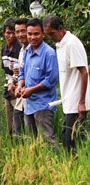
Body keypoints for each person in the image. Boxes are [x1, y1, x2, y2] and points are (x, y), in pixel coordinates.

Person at [44, 15, 89, 152]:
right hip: (69, 101)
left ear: (61, 28)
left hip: (76, 103)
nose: (50, 37)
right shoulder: (60, 44)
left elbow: (84, 72)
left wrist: (81, 102)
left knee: (70, 141)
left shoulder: (71, 44)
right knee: (67, 138)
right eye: (48, 34)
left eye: (52, 33)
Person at [15, 18, 59, 147]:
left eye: (36, 34)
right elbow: (22, 72)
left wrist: (31, 90)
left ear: (43, 34)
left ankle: (55, 165)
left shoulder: (49, 53)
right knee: (32, 141)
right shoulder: (27, 51)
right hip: (29, 104)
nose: (32, 37)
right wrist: (20, 86)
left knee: (47, 140)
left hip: (43, 105)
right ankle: (37, 166)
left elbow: (51, 80)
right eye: (30, 34)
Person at [0, 19, 22, 136]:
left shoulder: (20, 49)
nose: (11, 36)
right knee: (9, 124)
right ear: (4, 33)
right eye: (8, 33)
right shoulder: (4, 48)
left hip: (18, 89)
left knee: (18, 124)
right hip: (8, 88)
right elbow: (5, 70)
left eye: (13, 33)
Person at [11, 18, 29, 136]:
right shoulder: (22, 50)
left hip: (32, 96)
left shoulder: (39, 51)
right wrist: (13, 81)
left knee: (31, 133)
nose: (20, 34)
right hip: (21, 95)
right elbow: (21, 73)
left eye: (23, 31)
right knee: (18, 133)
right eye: (17, 32)